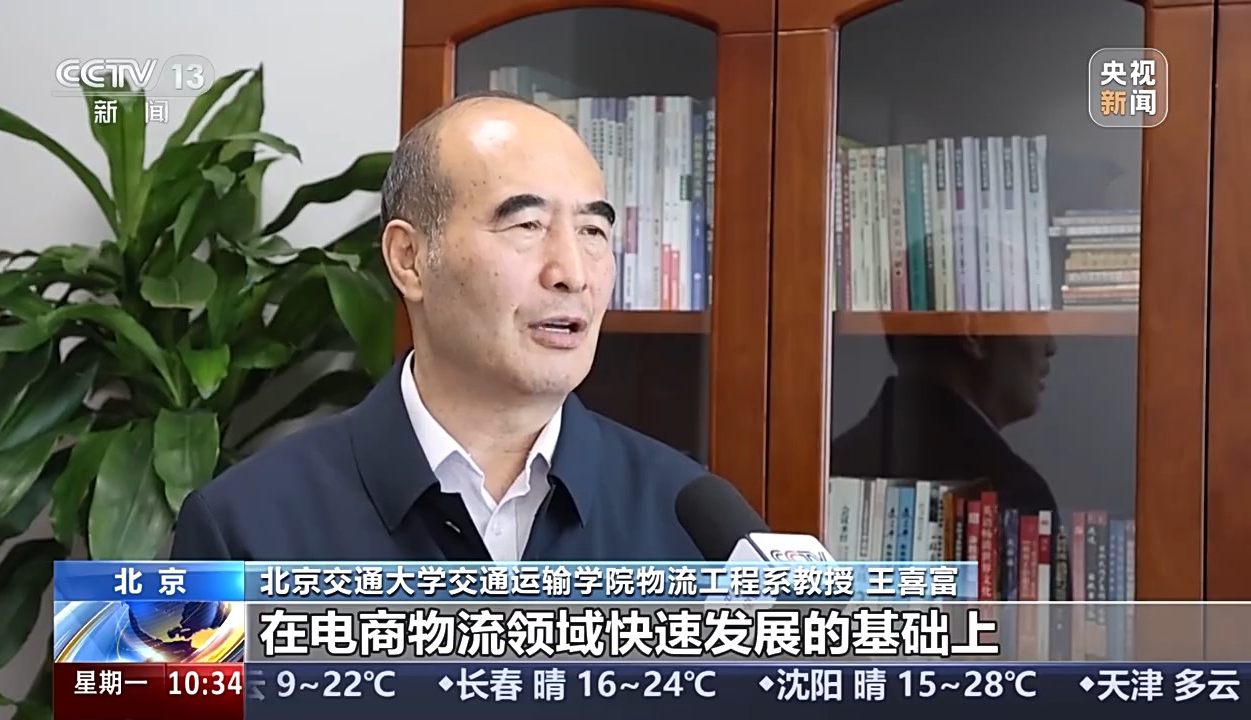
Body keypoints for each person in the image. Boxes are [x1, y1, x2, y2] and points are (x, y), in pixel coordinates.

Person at [170, 91, 705, 561]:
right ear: (409, 258)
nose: (573, 273)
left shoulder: (692, 524)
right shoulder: (241, 529)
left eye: (592, 231)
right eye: (527, 224)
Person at [830, 332, 1059, 515]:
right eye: (1035, 317)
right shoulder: (1011, 493)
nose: (1052, 345)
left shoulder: (833, 467)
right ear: (974, 334)